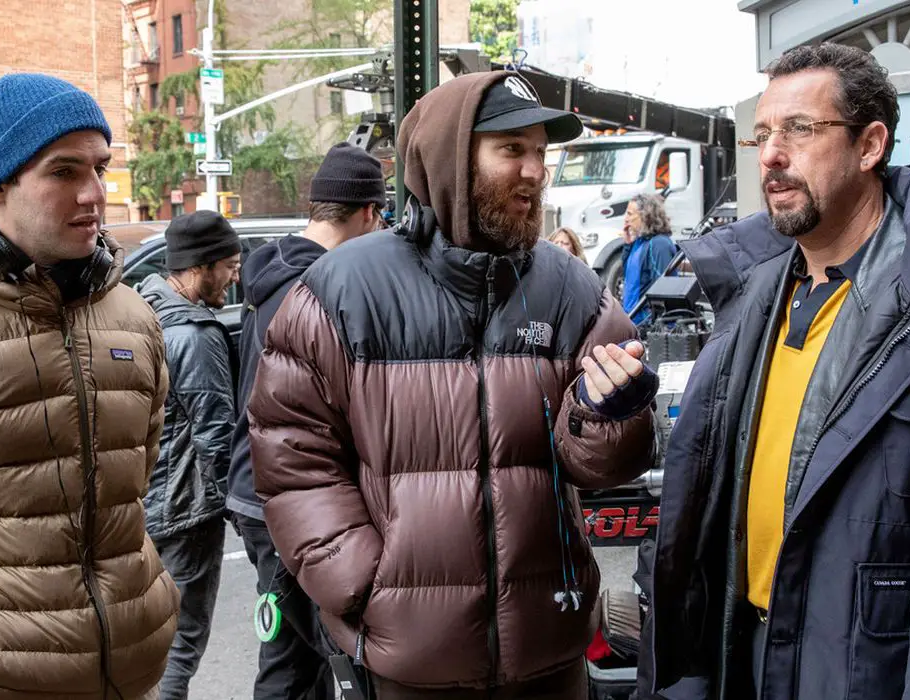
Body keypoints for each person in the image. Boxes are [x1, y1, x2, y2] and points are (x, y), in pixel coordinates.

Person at [249, 71, 658, 698]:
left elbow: (602, 467)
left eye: (540, 152)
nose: (534, 170)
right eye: (511, 149)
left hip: (551, 647)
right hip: (412, 658)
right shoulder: (341, 290)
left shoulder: (573, 289)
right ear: (448, 159)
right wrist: (363, 584)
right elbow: (292, 455)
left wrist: (612, 415)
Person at [645, 43, 910, 700]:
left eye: (799, 130)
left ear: (869, 145)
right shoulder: (754, 292)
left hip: (856, 672)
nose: (770, 156)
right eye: (762, 134)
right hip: (743, 657)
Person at [0, 73, 178, 699]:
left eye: (101, 169)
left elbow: (135, 477)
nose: (93, 194)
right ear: (0, 182)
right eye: (63, 172)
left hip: (125, 671)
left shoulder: (133, 318)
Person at [226, 142, 386, 700]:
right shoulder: (317, 286)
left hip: (257, 488)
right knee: (340, 655)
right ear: (367, 212)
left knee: (290, 658)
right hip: (288, 496)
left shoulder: (272, 275)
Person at [138, 209, 242, 700]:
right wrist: (240, 511)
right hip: (187, 512)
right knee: (181, 645)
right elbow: (216, 435)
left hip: (143, 507)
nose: (235, 275)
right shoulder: (196, 335)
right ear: (202, 266)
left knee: (146, 643)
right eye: (230, 264)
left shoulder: (143, 312)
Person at [620, 193, 677, 323]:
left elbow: (663, 289)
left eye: (629, 214)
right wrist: (628, 245)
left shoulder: (659, 244)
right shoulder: (639, 242)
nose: (626, 219)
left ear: (645, 215)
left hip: (647, 324)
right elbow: (629, 277)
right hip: (633, 320)